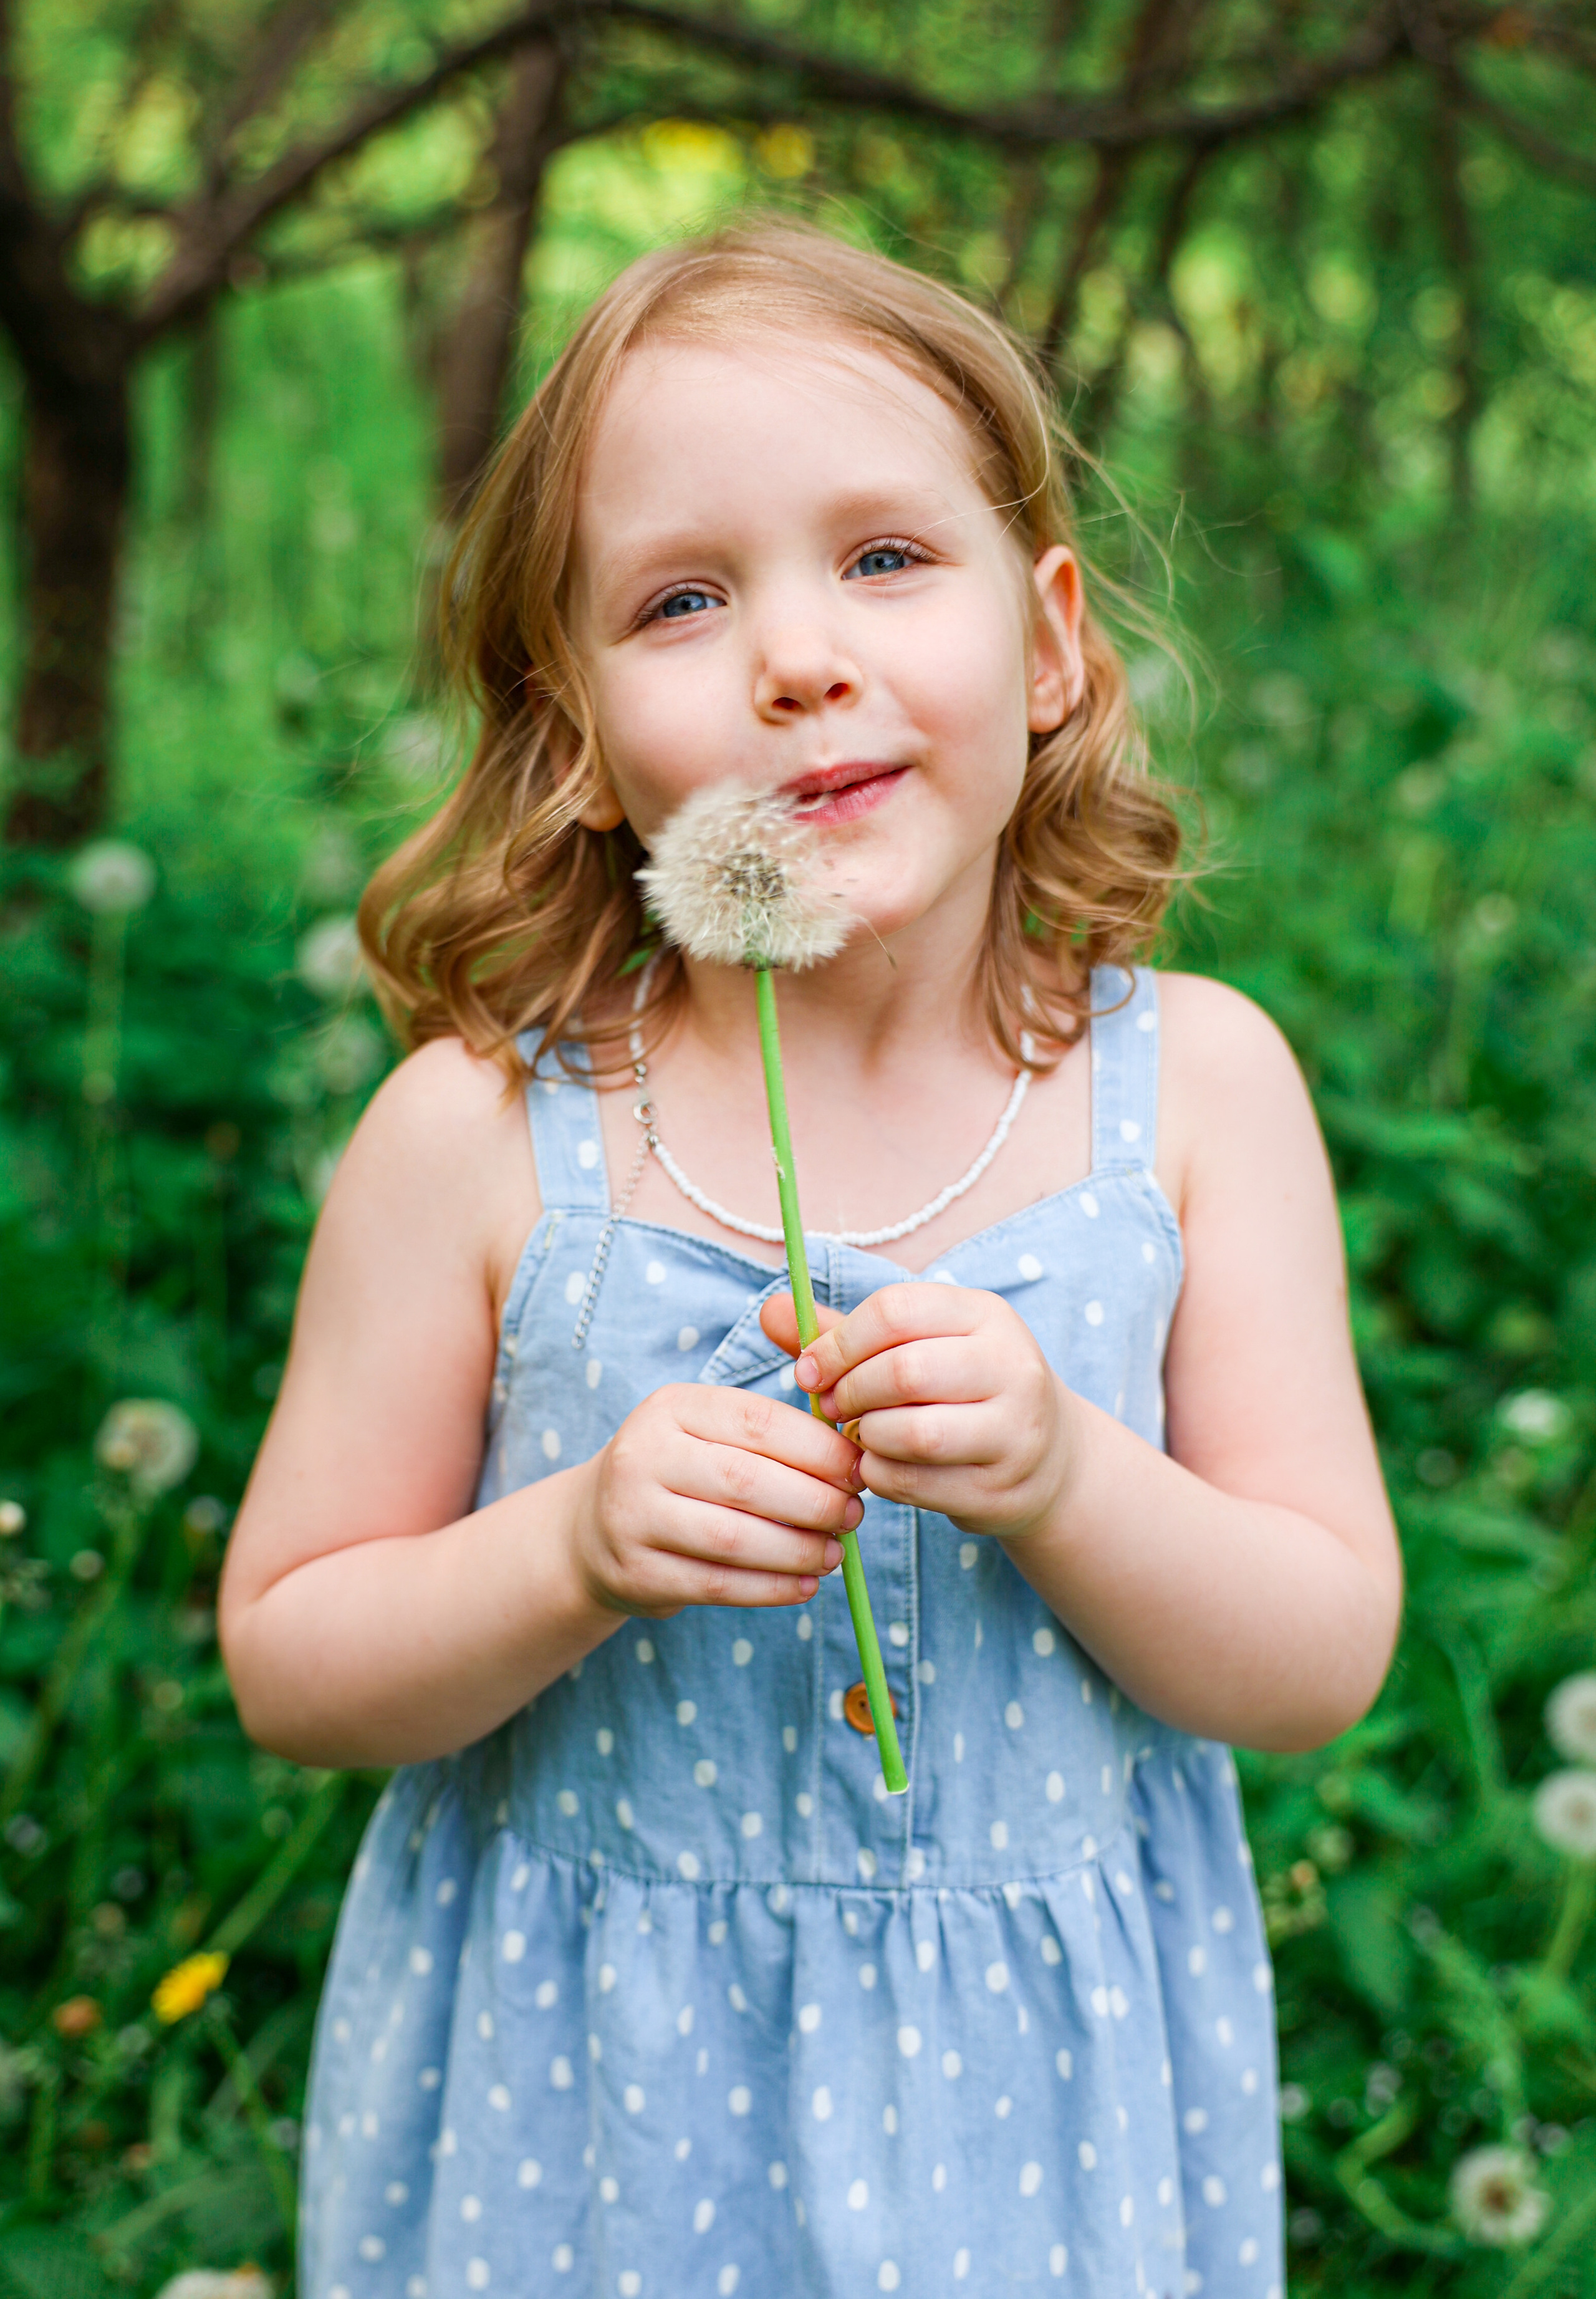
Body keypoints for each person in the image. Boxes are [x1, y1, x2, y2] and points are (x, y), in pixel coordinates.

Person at [219, 219, 1401, 2299]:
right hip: (594, 2122)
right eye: (681, 600)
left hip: (1035, 2121)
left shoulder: (1195, 1098)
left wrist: (1068, 1478)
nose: (796, 655)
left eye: (885, 558)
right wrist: (572, 1545)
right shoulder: (477, 1137)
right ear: (575, 736)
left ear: (1051, 645)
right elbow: (294, 1660)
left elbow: (1313, 1659)